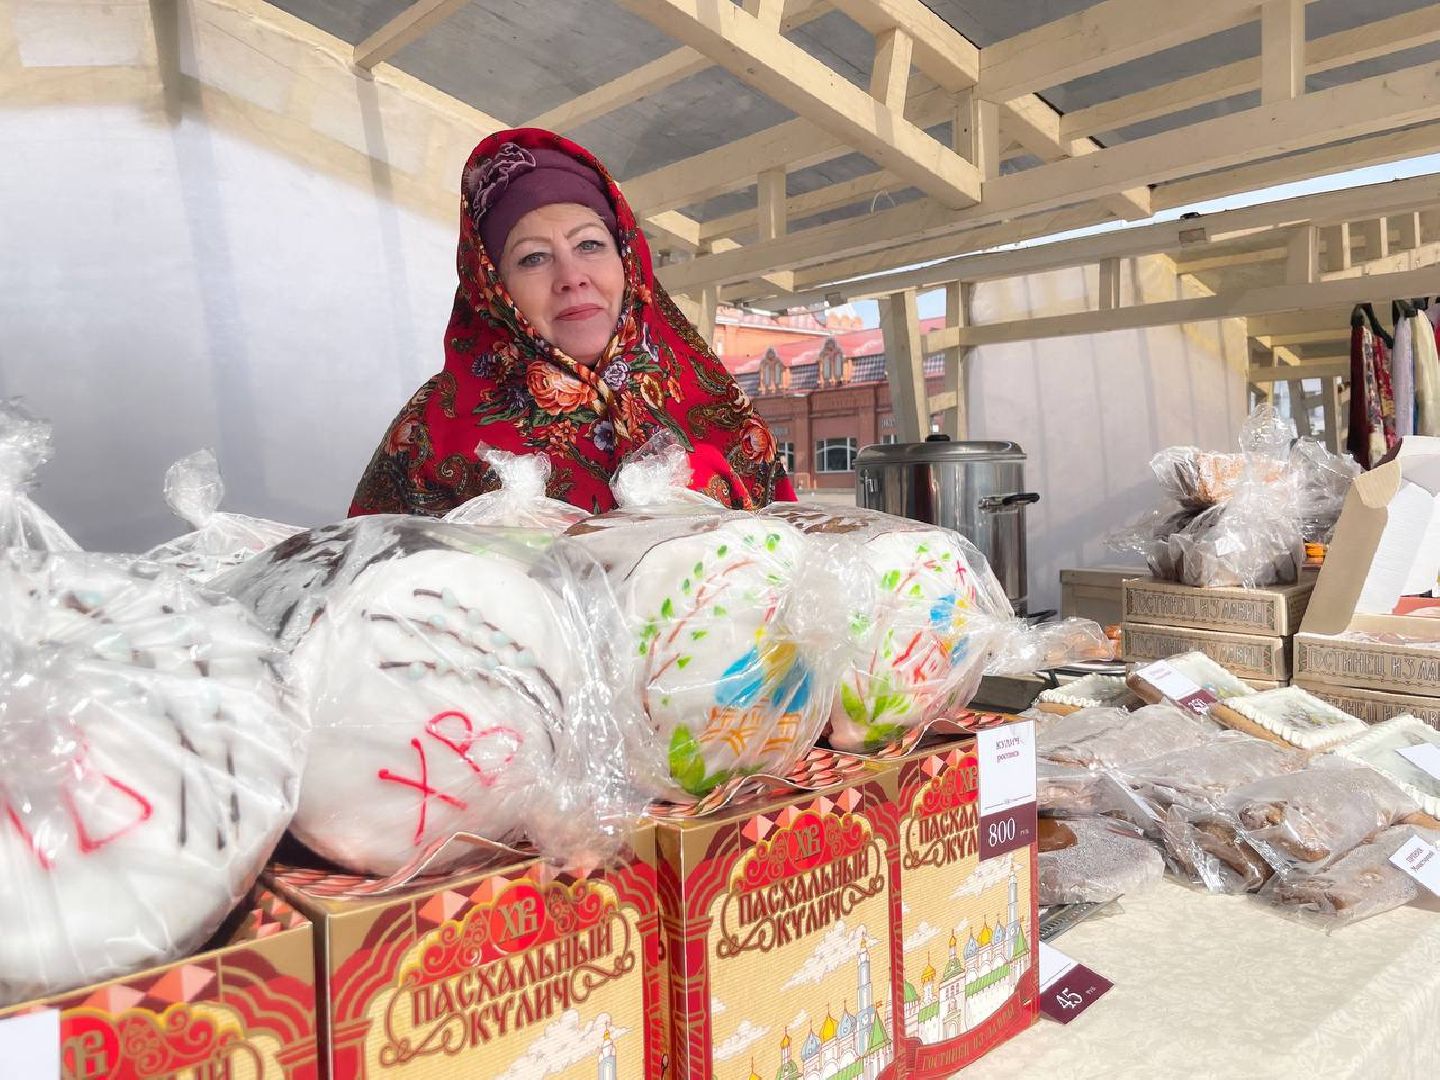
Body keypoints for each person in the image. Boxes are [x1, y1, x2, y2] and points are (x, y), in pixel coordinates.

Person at [349, 128, 795, 517]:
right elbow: (362, 582)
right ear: (493, 288)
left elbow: (794, 563)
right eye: (533, 257)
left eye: (589, 245)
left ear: (627, 261)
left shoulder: (712, 401)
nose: (571, 277)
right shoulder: (432, 428)